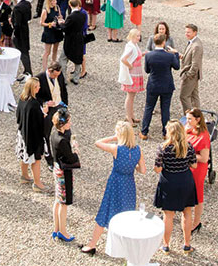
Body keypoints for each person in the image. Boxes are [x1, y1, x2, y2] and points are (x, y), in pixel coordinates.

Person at [80, 121, 143, 255]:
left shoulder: (116, 149)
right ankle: (128, 247)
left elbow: (98, 142)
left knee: (106, 210)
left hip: (116, 182)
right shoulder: (138, 149)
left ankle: (92, 244)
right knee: (127, 213)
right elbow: (142, 170)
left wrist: (113, 137)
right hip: (129, 184)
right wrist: (132, 166)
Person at [153, 121, 197, 254]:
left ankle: (166, 245)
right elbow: (194, 165)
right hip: (185, 180)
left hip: (169, 181)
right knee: (187, 212)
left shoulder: (163, 148)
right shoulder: (188, 146)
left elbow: (157, 169)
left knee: (168, 215)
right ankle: (187, 244)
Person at [141, 33, 180, 140]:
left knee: (149, 108)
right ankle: (165, 133)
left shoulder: (149, 55)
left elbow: (147, 70)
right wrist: (175, 54)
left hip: (153, 84)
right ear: (164, 43)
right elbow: (177, 67)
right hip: (167, 85)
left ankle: (144, 132)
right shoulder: (170, 56)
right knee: (165, 109)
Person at [48, 109, 79, 243]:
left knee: (57, 199)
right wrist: (76, 150)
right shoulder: (62, 141)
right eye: (68, 121)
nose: (70, 123)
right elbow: (71, 158)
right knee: (64, 203)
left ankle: (56, 228)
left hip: (56, 167)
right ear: (62, 124)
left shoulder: (54, 133)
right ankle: (63, 231)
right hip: (63, 171)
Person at [15, 77, 48, 192]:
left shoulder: (22, 98)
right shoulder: (33, 104)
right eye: (36, 87)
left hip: (23, 133)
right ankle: (37, 183)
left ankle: (24, 176)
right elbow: (38, 121)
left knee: (24, 155)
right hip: (33, 136)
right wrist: (44, 113)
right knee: (36, 159)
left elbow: (18, 115)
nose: (39, 88)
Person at [185, 109, 211, 235]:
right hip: (188, 167)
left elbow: (204, 158)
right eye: (187, 118)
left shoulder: (204, 136)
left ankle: (196, 221)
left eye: (190, 119)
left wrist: (188, 156)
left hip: (198, 169)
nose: (187, 121)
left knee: (198, 195)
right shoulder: (189, 130)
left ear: (198, 119)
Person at [118, 28, 145, 125]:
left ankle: (131, 115)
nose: (139, 38)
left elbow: (136, 55)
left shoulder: (134, 45)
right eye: (137, 36)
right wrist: (130, 66)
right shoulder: (130, 46)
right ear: (133, 36)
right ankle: (129, 117)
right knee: (130, 96)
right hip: (132, 73)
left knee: (132, 96)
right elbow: (123, 59)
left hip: (136, 72)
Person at [59, 0, 88, 86]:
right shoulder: (83, 14)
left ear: (70, 5)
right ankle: (76, 78)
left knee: (63, 59)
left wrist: (61, 23)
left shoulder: (71, 17)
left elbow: (65, 29)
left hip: (70, 40)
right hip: (79, 38)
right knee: (78, 58)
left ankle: (63, 79)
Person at [178, 23, 203, 115]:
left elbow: (195, 64)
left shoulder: (196, 45)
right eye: (186, 32)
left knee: (184, 96)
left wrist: (188, 75)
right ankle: (198, 116)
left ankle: (189, 117)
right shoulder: (192, 42)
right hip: (194, 75)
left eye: (188, 32)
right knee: (194, 96)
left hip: (191, 75)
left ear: (195, 32)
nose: (186, 34)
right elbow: (189, 58)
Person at [11, 0, 33, 78]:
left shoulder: (17, 7)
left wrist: (13, 26)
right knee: (25, 50)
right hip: (25, 29)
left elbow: (17, 23)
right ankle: (27, 69)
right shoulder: (27, 4)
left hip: (19, 32)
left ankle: (28, 70)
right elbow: (29, 17)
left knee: (23, 52)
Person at [39, 0, 62, 71]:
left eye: (56, 0)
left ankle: (53, 64)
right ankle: (44, 68)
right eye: (54, 0)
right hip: (49, 32)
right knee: (47, 52)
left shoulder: (57, 8)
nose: (56, 2)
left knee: (55, 49)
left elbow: (60, 16)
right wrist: (49, 24)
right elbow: (41, 23)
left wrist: (60, 19)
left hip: (56, 31)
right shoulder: (45, 11)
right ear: (50, 2)